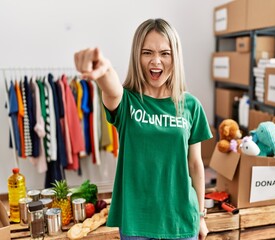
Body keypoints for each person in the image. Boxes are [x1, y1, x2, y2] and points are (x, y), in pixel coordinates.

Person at [74, 18, 212, 240]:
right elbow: (111, 88)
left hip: (181, 220)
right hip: (137, 221)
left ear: (175, 57)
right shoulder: (127, 101)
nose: (156, 61)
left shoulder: (191, 106)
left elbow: (195, 165)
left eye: (165, 53)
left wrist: (201, 216)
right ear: (137, 56)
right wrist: (103, 68)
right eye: (147, 52)